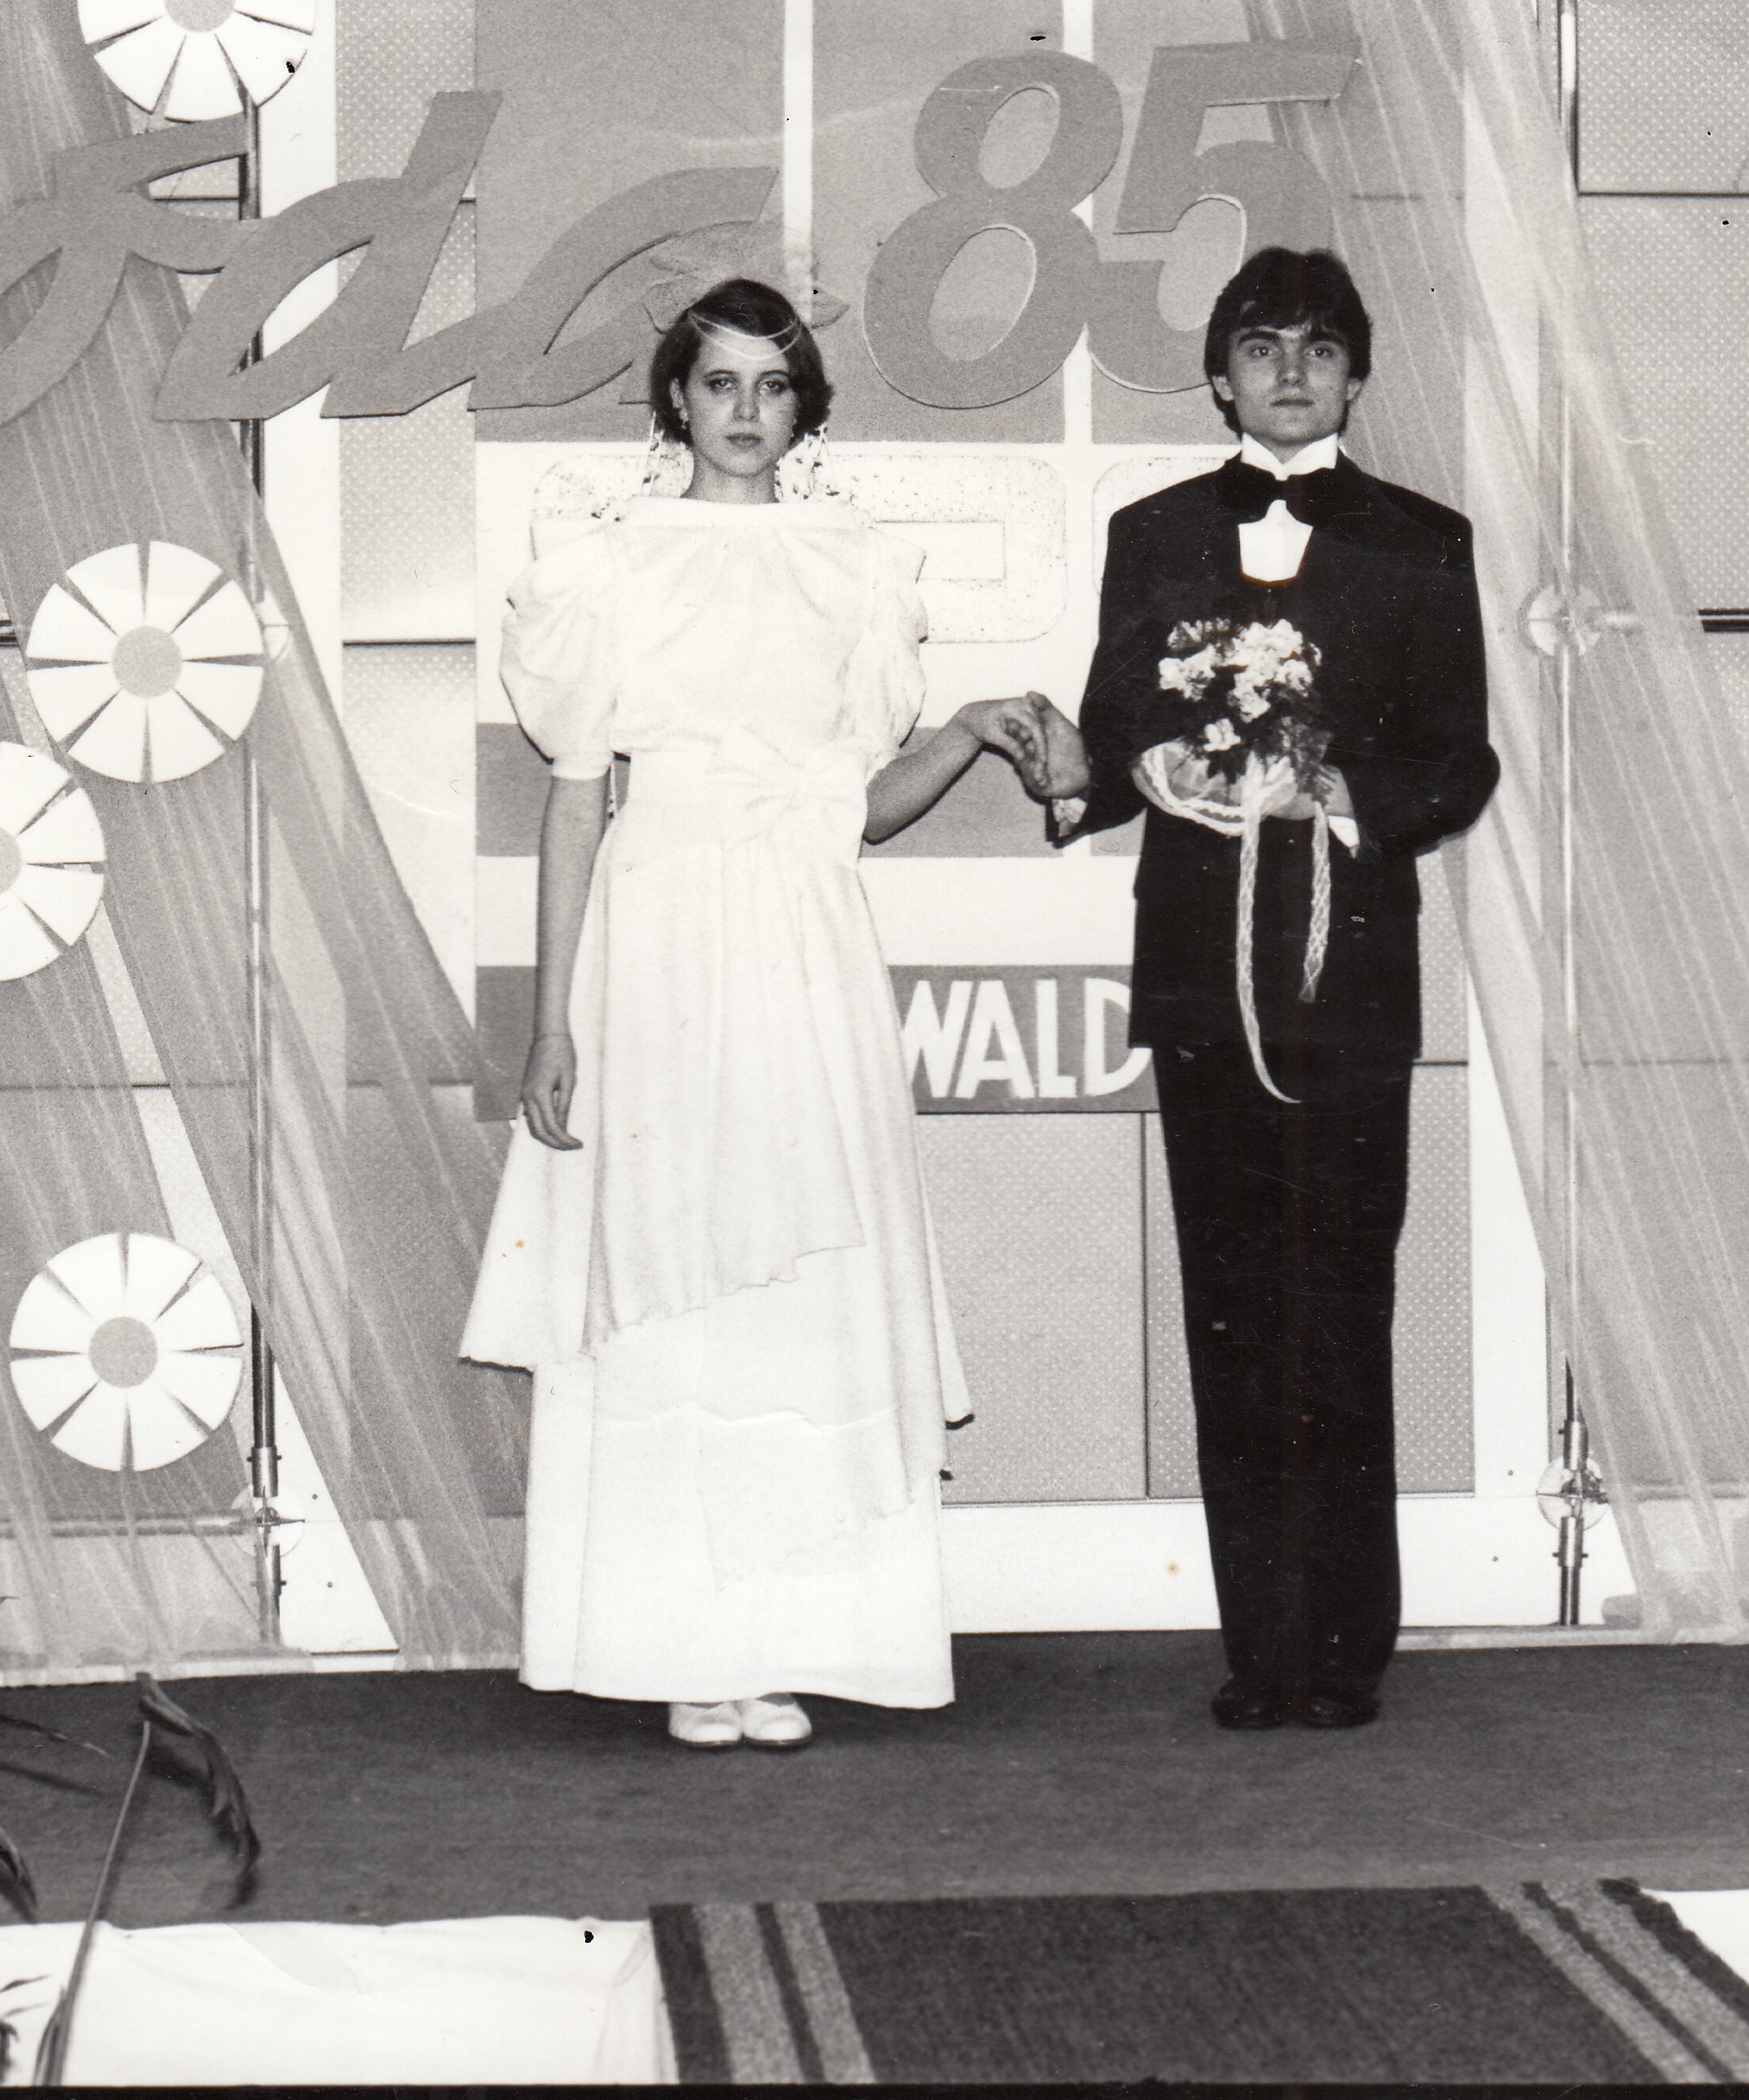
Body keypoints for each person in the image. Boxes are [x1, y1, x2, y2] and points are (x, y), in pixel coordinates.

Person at [459, 278, 1060, 1750]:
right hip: (656, 946)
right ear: (675, 397)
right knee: (675, 1279)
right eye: (718, 382)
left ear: (805, 409)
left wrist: (967, 733)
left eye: (771, 386)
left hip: (803, 943)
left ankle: (794, 1635)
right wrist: (553, 1023)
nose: (743, 410)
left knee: (803, 1284)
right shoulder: (607, 565)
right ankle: (677, 1641)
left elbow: (855, 805)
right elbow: (573, 803)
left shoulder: (853, 566)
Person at [1043, 248, 1497, 1730]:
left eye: (1316, 346)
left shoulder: (1424, 539)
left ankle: (1343, 1651)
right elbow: (1112, 724)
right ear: (1218, 378)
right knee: (1232, 1310)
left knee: (1341, 1305)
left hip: (1349, 982)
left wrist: (1334, 791)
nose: (1289, 371)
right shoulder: (1152, 532)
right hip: (1197, 976)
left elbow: (1459, 759)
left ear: (1354, 375)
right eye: (1259, 345)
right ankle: (1260, 1649)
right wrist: (1148, 763)